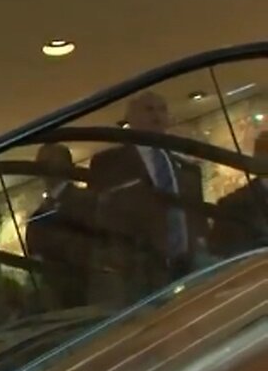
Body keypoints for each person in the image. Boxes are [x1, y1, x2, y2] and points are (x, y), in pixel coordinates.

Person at [89, 91, 208, 299]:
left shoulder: (187, 168)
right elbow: (99, 218)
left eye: (162, 109)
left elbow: (198, 217)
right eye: (149, 109)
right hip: (140, 275)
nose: (157, 115)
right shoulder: (108, 163)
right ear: (131, 117)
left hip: (191, 269)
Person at [26, 142, 98, 309]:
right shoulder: (37, 217)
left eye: (52, 162)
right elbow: (36, 258)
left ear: (68, 166)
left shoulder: (87, 201)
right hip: (57, 298)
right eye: (42, 164)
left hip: (89, 290)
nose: (48, 168)